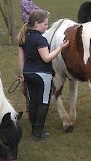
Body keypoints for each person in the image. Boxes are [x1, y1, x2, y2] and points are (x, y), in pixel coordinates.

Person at [16, 10, 67, 140]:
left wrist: (22, 73)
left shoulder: (24, 36)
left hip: (28, 73)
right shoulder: (40, 39)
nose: (46, 27)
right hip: (42, 75)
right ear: (37, 24)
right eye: (45, 24)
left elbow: (21, 57)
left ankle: (34, 129)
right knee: (43, 102)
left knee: (33, 101)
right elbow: (46, 58)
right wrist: (60, 47)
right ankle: (39, 132)